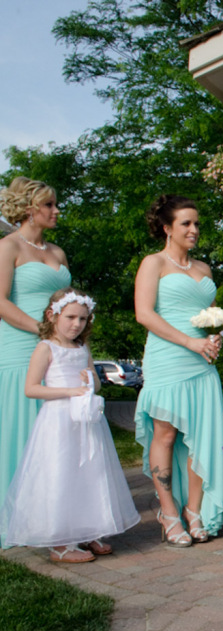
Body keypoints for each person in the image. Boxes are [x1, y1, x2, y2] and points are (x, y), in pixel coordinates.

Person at [0, 288, 140, 561]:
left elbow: (96, 384)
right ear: (52, 316)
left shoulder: (82, 348)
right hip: (58, 422)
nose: (77, 324)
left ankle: (88, 529)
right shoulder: (46, 348)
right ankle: (61, 542)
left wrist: (89, 381)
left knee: (89, 473)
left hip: (85, 421)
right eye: (71, 317)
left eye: (83, 319)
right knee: (61, 474)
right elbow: (31, 388)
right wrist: (69, 391)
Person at [134, 195, 223, 547]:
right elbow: (144, 314)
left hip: (201, 362)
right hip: (168, 358)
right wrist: (190, 342)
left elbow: (211, 315)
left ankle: (194, 511)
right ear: (167, 228)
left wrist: (215, 336)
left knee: (199, 437)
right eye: (186, 223)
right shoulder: (154, 263)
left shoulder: (204, 269)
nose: (194, 229)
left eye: (196, 223)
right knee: (167, 435)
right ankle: (169, 512)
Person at [0, 177, 72, 523]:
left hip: (59, 350)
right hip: (21, 347)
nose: (56, 211)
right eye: (49, 205)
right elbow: (1, 302)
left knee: (58, 434)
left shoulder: (58, 253)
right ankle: (21, 517)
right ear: (29, 209)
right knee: (24, 430)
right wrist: (42, 330)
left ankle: (58, 516)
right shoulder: (8, 247)